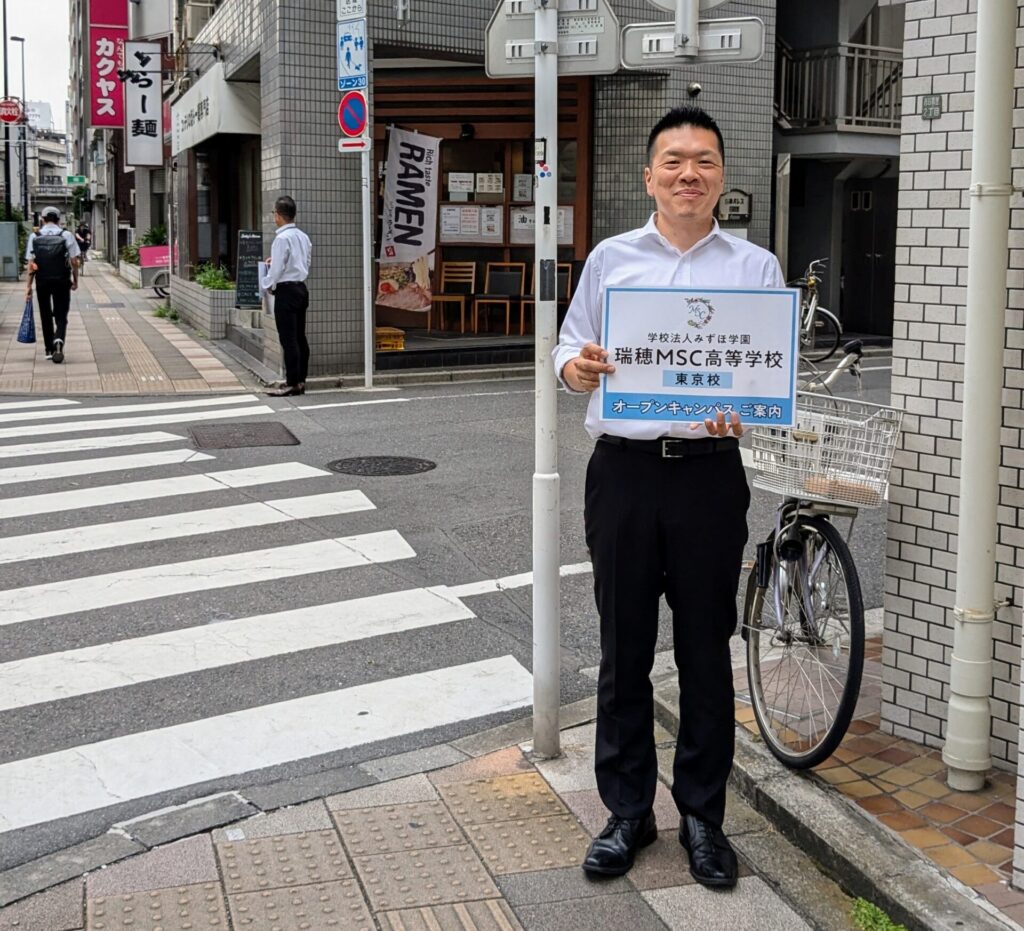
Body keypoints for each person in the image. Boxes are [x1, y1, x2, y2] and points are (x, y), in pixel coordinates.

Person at [554, 107, 785, 888]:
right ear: (648, 175)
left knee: (704, 651)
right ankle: (626, 812)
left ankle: (701, 816)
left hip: (710, 474)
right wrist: (574, 369)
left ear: (723, 175)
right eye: (675, 160)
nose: (690, 173)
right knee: (622, 647)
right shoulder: (611, 259)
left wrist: (746, 407)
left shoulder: (755, 268)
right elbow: (568, 341)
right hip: (622, 471)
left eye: (705, 161)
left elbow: (761, 372)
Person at [259, 195, 312, 397]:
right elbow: (304, 262)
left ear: (278, 215)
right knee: (300, 337)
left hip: (287, 292)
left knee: (288, 339)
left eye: (274, 213)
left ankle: (291, 382)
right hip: (300, 288)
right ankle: (300, 380)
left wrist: (267, 285)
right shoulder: (303, 236)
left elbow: (277, 269)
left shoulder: (281, 238)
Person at [26, 206, 80, 364]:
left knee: (45, 313)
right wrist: (75, 280)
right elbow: (74, 261)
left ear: (42, 219)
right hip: (62, 280)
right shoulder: (66, 235)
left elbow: (31, 264)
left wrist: (28, 286)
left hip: (42, 280)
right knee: (61, 313)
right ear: (58, 220)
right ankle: (59, 340)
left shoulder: (34, 236)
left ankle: (49, 349)